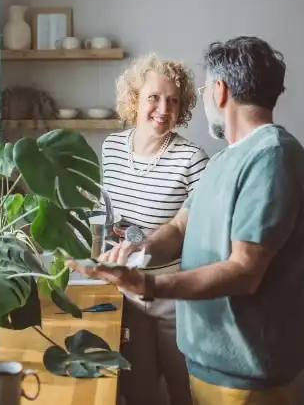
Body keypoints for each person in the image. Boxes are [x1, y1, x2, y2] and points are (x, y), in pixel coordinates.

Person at [74, 37, 304, 405]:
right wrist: (142, 248)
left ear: (219, 91)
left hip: (245, 377)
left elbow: (245, 271)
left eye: (200, 90)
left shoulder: (271, 158)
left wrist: (148, 284)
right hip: (212, 363)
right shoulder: (225, 160)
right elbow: (179, 227)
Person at [101, 53, 209, 405]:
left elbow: (202, 233)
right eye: (154, 97)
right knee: (137, 394)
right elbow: (109, 214)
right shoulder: (112, 148)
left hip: (173, 295)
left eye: (174, 100)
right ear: (135, 99)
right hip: (126, 294)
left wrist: (147, 241)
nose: (164, 108)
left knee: (187, 393)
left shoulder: (192, 158)